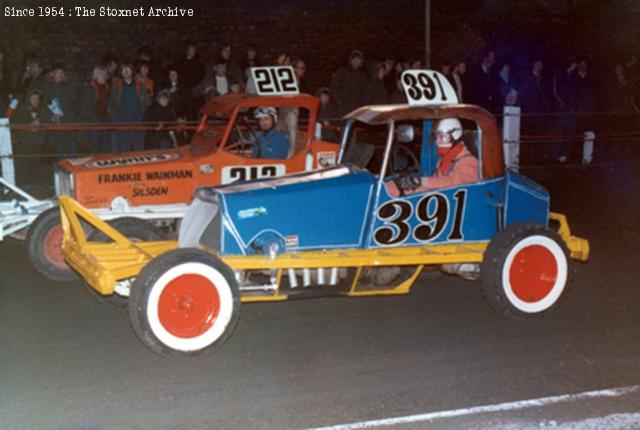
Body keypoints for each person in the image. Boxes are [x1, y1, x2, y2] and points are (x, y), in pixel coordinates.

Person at [386, 118, 478, 196]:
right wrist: (411, 184)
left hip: (451, 203)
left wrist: (420, 181)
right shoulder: (446, 158)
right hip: (440, 197)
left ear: (455, 136)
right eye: (437, 137)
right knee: (393, 185)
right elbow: (437, 182)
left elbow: (452, 182)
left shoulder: (468, 161)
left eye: (442, 137)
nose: (437, 142)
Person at [108, 63, 150, 152]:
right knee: (124, 147)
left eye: (128, 69)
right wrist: (115, 118)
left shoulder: (140, 85)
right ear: (120, 72)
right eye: (123, 69)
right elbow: (111, 104)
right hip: (122, 120)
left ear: (132, 71)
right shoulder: (116, 86)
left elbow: (147, 102)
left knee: (139, 147)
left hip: (137, 120)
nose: (126, 71)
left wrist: (142, 117)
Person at [330, 49, 369, 116]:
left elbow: (366, 92)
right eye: (354, 59)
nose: (356, 61)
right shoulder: (342, 71)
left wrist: (361, 106)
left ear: (361, 62)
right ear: (351, 60)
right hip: (342, 108)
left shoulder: (363, 76)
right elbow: (334, 87)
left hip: (357, 109)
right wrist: (340, 102)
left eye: (358, 59)